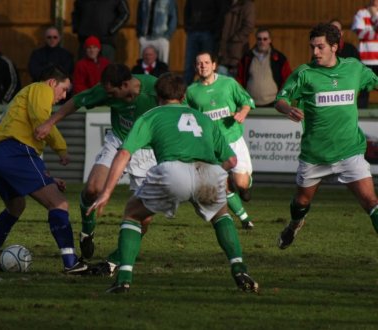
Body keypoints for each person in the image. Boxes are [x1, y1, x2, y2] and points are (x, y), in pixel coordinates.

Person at [87, 72, 259, 294]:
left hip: (172, 171)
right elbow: (232, 160)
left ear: (157, 95)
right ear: (183, 95)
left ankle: (123, 279)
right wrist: (214, 172)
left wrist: (107, 192)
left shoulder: (151, 116)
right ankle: (239, 268)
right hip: (207, 170)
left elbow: (123, 154)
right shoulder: (204, 118)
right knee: (222, 215)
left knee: (133, 213)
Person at [34, 64, 158, 260]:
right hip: (119, 141)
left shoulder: (154, 89)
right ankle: (87, 231)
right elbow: (76, 101)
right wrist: (50, 122)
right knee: (92, 188)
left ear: (125, 85)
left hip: (149, 150)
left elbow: (178, 109)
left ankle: (113, 262)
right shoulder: (106, 89)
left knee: (144, 217)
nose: (107, 96)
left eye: (111, 93)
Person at [274, 23, 378, 250]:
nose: (315, 52)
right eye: (312, 47)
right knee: (301, 201)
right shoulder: (304, 73)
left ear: (335, 46)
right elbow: (280, 98)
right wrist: (287, 109)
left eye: (320, 47)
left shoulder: (354, 69)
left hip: (349, 151)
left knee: (371, 202)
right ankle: (294, 225)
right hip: (315, 155)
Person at [0, 66, 88, 275]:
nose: (64, 97)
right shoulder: (41, 88)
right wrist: (61, 148)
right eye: (64, 89)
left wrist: (49, 178)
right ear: (52, 82)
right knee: (59, 204)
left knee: (15, 207)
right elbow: (41, 121)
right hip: (17, 153)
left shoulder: (24, 94)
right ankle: (70, 262)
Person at [185, 51, 255, 230]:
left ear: (214, 65)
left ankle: (244, 187)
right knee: (222, 185)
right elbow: (186, 116)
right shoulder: (191, 92)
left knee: (241, 183)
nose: (203, 66)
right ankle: (245, 219)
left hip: (233, 140)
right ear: (195, 67)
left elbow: (246, 101)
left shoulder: (228, 83)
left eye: (207, 62)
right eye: (199, 63)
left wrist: (242, 113)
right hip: (211, 146)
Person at [236, 27, 292, 107]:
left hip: (273, 103)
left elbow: (288, 80)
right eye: (259, 39)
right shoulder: (247, 58)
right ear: (256, 40)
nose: (262, 42)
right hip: (250, 104)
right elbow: (239, 79)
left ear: (270, 40)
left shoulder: (279, 58)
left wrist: (282, 98)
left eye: (265, 39)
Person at [183, 0, 230, 84]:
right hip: (193, 32)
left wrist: (214, 31)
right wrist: (188, 27)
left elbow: (220, 13)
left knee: (207, 64)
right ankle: (185, 93)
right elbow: (187, 11)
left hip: (208, 33)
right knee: (189, 66)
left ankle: (209, 89)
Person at [217, 0, 255, 77]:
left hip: (237, 53)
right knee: (221, 85)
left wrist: (235, 38)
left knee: (236, 84)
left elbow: (249, 25)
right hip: (223, 54)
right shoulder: (225, 4)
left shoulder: (247, 5)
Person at [352, 0, 378, 108]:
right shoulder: (361, 13)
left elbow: (365, 33)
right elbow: (360, 34)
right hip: (365, 59)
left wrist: (374, 15)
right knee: (363, 90)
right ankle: (361, 116)